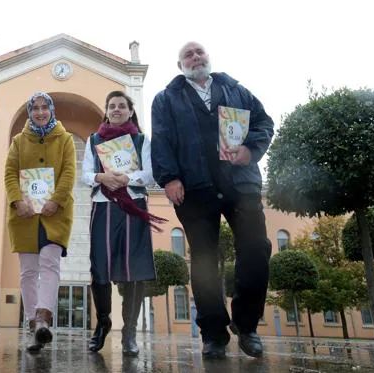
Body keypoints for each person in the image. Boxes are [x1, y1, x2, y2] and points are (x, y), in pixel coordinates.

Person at [151, 42, 274, 359]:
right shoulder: (166, 99)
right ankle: (214, 333)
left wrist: (250, 149)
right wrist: (169, 177)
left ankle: (246, 326)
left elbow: (264, 123)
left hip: (240, 184)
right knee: (204, 260)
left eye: (199, 52)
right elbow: (162, 139)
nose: (195, 58)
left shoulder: (236, 90)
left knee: (257, 249)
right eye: (188, 55)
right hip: (194, 188)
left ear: (208, 58)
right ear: (180, 65)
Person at [82, 91, 164, 357]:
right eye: (112, 106)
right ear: (106, 111)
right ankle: (103, 321)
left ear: (130, 111)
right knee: (100, 268)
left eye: (121, 106)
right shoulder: (93, 140)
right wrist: (101, 177)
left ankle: (129, 331)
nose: (116, 109)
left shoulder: (141, 140)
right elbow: (84, 174)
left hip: (133, 206)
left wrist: (127, 179)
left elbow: (151, 175)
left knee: (134, 271)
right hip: (104, 207)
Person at [4, 92, 76, 352]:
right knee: (28, 271)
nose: (41, 112)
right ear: (29, 111)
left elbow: (69, 171)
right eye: (35, 108)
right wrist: (16, 200)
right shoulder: (18, 141)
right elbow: (10, 173)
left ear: (52, 110)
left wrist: (56, 199)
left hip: (55, 214)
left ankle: (43, 318)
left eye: (45, 107)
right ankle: (33, 324)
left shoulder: (65, 139)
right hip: (24, 216)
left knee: (49, 263)